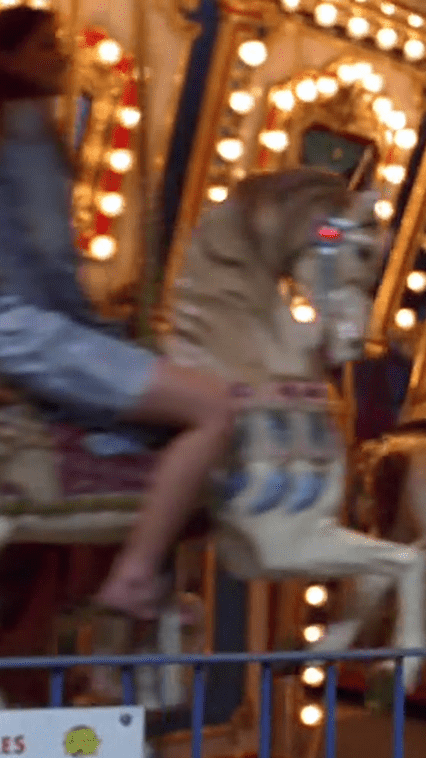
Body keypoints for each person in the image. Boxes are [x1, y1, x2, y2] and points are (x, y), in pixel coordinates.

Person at [0, 7, 237, 621]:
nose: (61, 54)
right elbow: (50, 265)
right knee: (214, 407)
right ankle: (134, 578)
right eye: (46, 45)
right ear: (11, 57)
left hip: (23, 326)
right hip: (25, 330)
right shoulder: (24, 129)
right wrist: (105, 334)